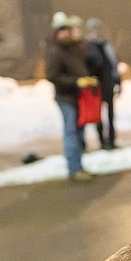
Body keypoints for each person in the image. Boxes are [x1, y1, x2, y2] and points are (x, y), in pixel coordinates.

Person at [46, 12, 94, 181]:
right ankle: (74, 168)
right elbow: (52, 76)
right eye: (63, 31)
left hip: (79, 97)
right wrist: (75, 81)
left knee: (79, 132)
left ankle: (79, 166)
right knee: (71, 132)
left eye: (68, 30)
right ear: (57, 34)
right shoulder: (55, 52)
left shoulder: (74, 48)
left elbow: (87, 58)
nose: (66, 34)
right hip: (66, 98)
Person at [83, 17, 121, 150]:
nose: (96, 32)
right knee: (98, 114)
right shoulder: (87, 47)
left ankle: (111, 140)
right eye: (94, 30)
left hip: (108, 83)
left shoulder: (106, 46)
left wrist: (118, 81)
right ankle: (102, 141)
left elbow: (113, 64)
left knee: (110, 114)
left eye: (98, 29)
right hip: (95, 86)